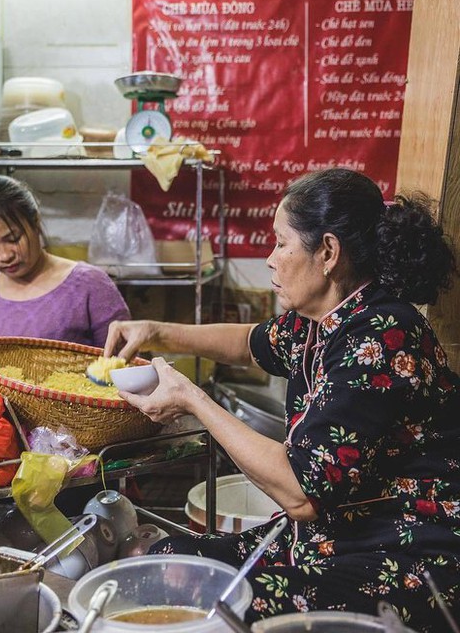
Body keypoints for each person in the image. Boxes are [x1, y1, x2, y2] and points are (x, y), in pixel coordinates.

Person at [103, 168, 460, 631]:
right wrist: (156, 332)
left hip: (402, 550)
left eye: (280, 243)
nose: (269, 259)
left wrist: (193, 398)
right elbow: (249, 342)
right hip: (326, 538)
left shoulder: (384, 338)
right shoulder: (319, 319)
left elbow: (301, 493)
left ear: (328, 252)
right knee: (169, 561)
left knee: (231, 607)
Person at [0, 174, 131, 378]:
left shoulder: (91, 286)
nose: (5, 255)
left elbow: (125, 369)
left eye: (13, 239)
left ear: (35, 222)